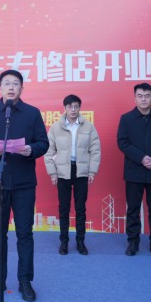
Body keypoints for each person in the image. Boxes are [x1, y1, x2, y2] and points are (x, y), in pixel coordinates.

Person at [0, 69, 49, 302]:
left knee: (25, 233)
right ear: (0, 88)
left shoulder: (32, 113)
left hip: (24, 183)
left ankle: (25, 280)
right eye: (7, 83)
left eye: (16, 83)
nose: (11, 87)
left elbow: (43, 143)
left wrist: (31, 150)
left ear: (22, 88)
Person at [117, 83, 151, 258]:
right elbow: (122, 142)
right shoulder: (126, 118)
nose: (143, 99)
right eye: (140, 96)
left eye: (147, 96)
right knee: (133, 209)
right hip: (134, 171)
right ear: (135, 98)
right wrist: (142, 158)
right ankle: (133, 241)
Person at [44, 94, 101, 256]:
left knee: (80, 208)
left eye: (76, 106)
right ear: (64, 108)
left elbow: (95, 150)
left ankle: (80, 242)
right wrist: (52, 173)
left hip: (81, 171)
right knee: (64, 209)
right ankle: (64, 242)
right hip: (63, 172)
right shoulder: (56, 127)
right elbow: (48, 152)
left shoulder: (88, 127)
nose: (73, 110)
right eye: (70, 106)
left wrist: (92, 171)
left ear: (80, 108)